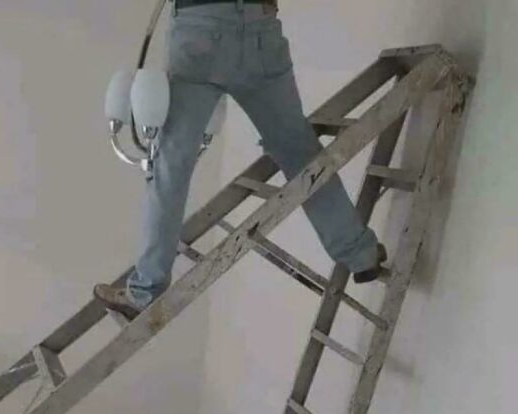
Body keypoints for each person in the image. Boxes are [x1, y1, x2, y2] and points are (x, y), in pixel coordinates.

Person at [94, 0, 386, 321]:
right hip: (259, 28)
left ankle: (144, 293)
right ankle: (361, 255)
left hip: (199, 30)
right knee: (300, 153)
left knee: (171, 167)